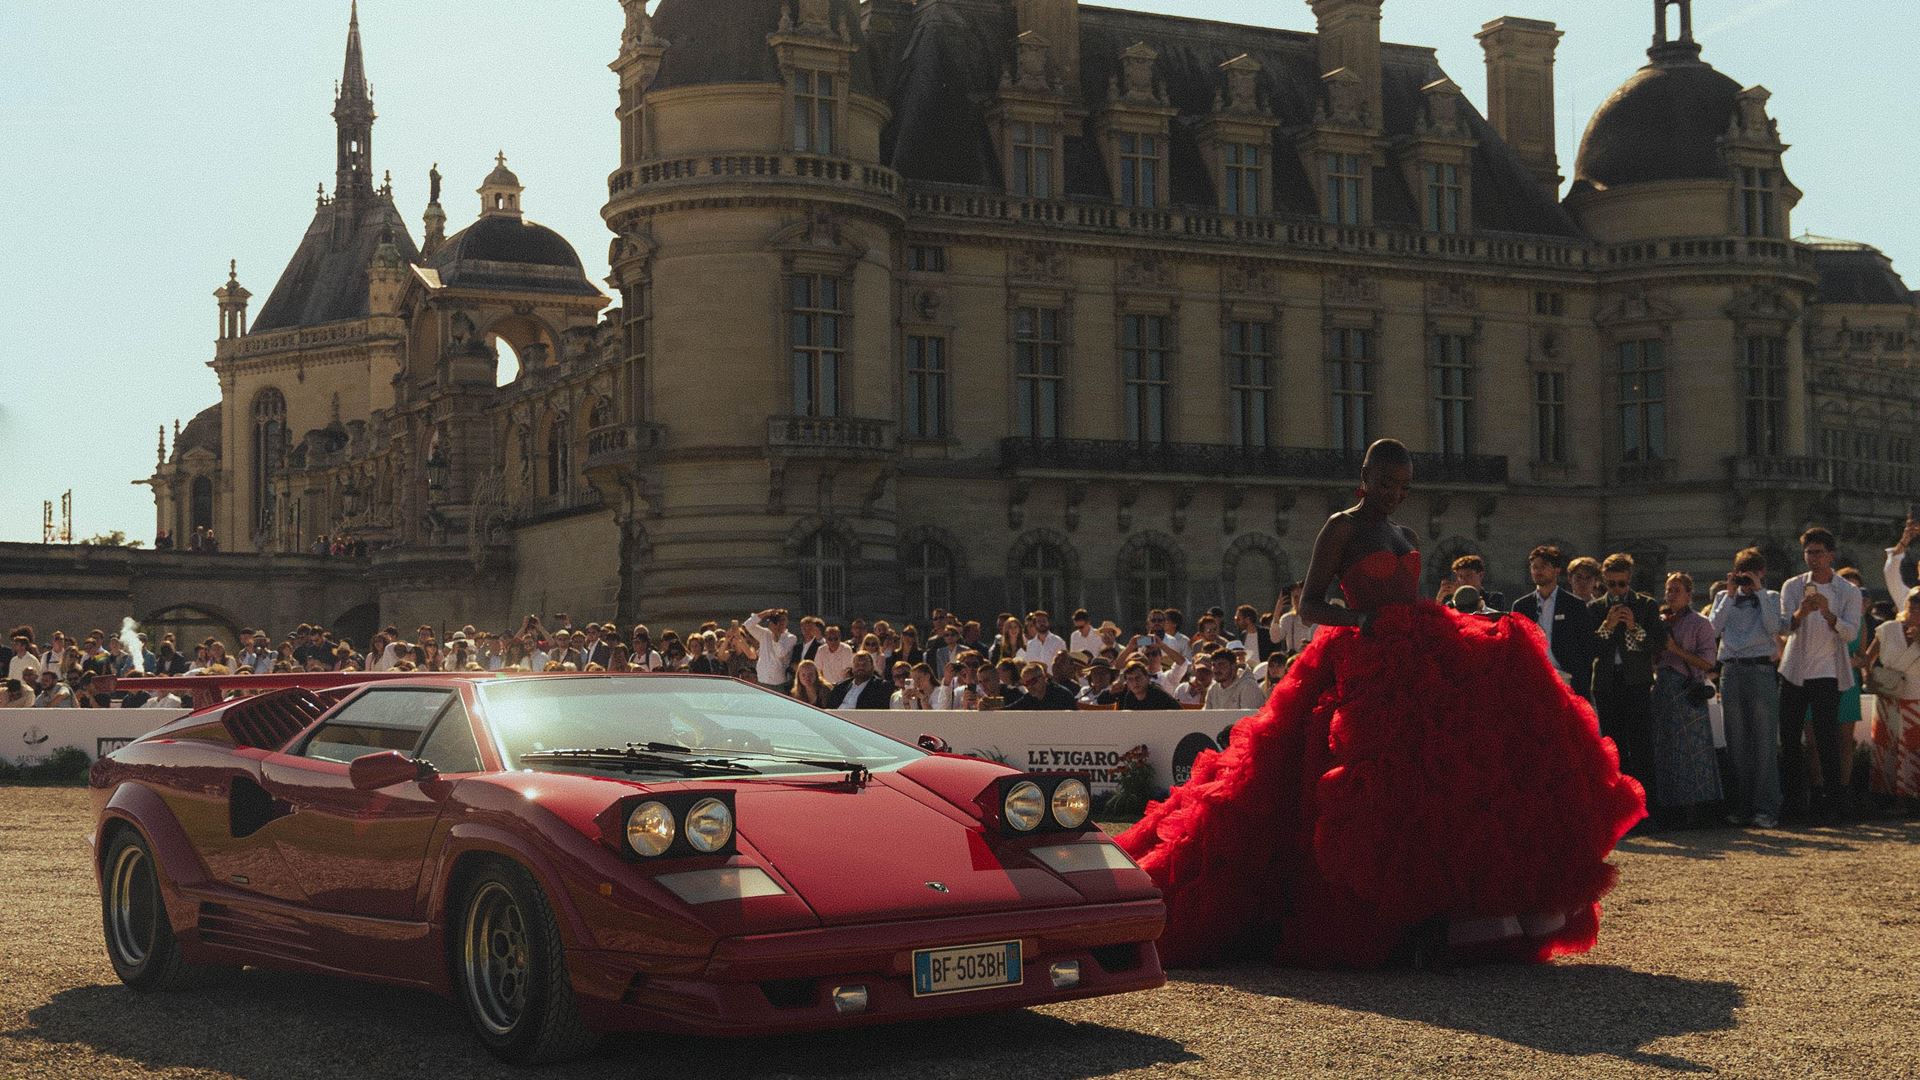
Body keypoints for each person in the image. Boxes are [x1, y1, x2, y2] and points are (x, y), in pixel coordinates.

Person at [1116, 439, 1643, 970]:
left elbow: (1408, 596)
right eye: (1387, 482)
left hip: (1416, 650)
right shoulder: (1341, 526)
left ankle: (1464, 909)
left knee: (1460, 760)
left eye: (1404, 486)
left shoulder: (1404, 533)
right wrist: (1362, 620)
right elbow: (1312, 603)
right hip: (1366, 660)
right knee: (1372, 781)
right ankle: (1407, 916)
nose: (1394, 494)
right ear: (1365, 477)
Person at [1778, 527, 1862, 823]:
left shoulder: (1847, 591)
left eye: (1818, 552)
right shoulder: (1792, 586)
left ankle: (1834, 802)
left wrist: (1828, 613)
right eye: (1808, 552)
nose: (1813, 558)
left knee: (1827, 739)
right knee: (1789, 738)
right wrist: (1800, 613)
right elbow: (1783, 627)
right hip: (1795, 670)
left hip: (1828, 671)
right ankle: (1794, 801)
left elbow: (1850, 632)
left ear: (1830, 555)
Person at [1709, 546, 1784, 827]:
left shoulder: (1772, 597)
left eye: (1750, 574)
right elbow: (1713, 630)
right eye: (1741, 574)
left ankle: (1766, 808)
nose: (1745, 580)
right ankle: (1740, 806)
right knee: (1736, 742)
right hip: (1732, 670)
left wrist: (1760, 592)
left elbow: (1773, 627)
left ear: (1761, 573)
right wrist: (1730, 595)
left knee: (1764, 742)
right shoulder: (1722, 597)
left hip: (1761, 669)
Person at [1588, 553, 1668, 805]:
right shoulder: (1594, 608)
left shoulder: (1646, 605)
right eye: (1611, 584)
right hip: (1607, 683)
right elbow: (1589, 649)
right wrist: (1608, 626)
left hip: (1636, 682)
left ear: (1629, 580)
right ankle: (1618, 805)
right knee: (1613, 745)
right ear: (1604, 581)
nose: (1617, 590)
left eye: (1621, 584)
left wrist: (1633, 626)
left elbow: (1657, 644)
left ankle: (1646, 806)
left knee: (1641, 744)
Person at [1651, 573, 1722, 828]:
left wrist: (1675, 649)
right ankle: (1670, 811)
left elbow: (1707, 662)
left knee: (1693, 754)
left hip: (1687, 690)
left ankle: (1696, 813)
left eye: (1676, 590)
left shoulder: (1701, 623)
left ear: (1689, 595)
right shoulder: (1660, 622)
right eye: (1668, 590)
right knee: (1666, 751)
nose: (1670, 595)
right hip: (1663, 691)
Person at [1511, 545, 1598, 699]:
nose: (1538, 571)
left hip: (1568, 681)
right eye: (1534, 567)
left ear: (1557, 570)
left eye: (1544, 566)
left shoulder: (1574, 605)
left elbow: (1587, 648)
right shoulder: (1521, 606)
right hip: (1533, 681)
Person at [1861, 584, 1920, 810]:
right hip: (1888, 695)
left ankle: (1910, 798)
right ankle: (1884, 798)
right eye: (1912, 602)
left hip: (1916, 697)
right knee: (1886, 748)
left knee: (1913, 748)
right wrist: (1869, 680)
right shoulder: (1888, 629)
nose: (1915, 607)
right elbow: (1868, 657)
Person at [742, 609, 798, 692]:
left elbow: (780, 653)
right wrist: (766, 613)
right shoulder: (765, 633)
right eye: (778, 619)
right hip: (762, 680)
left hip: (779, 683)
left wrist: (775, 635)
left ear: (787, 621)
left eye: (783, 619)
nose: (780, 622)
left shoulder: (791, 638)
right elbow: (748, 625)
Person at [825, 651, 891, 710]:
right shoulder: (840, 686)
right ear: (852, 668)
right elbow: (829, 708)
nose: (861, 667)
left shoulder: (881, 687)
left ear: (872, 667)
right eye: (857, 665)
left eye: (864, 665)